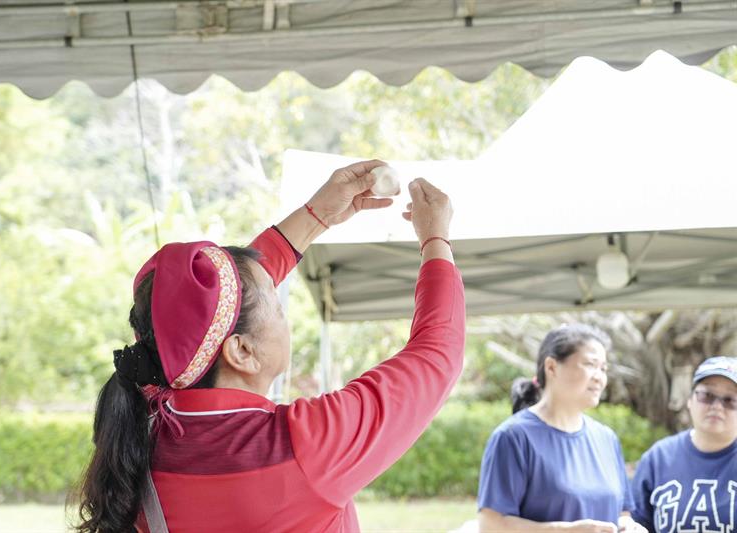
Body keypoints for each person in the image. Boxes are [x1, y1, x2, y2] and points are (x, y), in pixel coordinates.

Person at [73, 160, 465, 533]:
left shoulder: (144, 430)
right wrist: (436, 237)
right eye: (276, 304)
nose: (283, 313)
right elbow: (437, 352)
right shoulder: (305, 447)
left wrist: (318, 214)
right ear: (241, 352)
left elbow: (196, 318)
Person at [477, 323, 647, 533]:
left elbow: (622, 513)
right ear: (551, 367)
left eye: (603, 369)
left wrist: (628, 527)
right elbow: (491, 525)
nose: (599, 377)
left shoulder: (606, 438)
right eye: (590, 364)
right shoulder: (513, 437)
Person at [631, 356, 737, 533]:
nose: (717, 406)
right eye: (707, 396)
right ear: (690, 400)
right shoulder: (659, 458)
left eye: (730, 400)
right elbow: (636, 523)